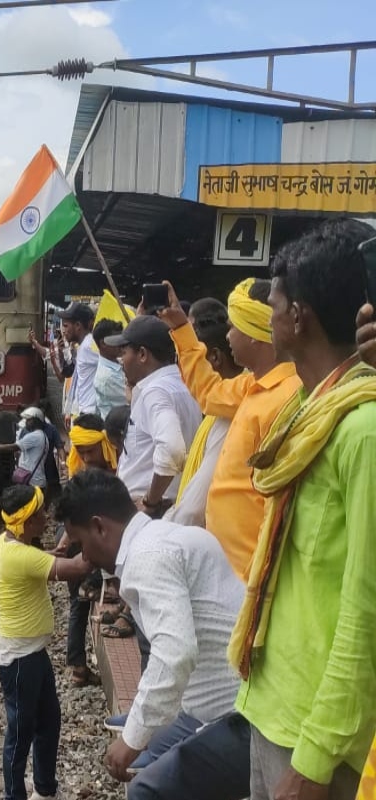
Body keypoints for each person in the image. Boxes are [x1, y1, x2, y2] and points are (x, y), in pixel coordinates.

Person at [228, 220, 375, 800]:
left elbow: (365, 611)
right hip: (273, 705)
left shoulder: (360, 431)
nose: (267, 313)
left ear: (300, 317)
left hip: (318, 735)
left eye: (276, 300)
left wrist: (315, 759)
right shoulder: (307, 415)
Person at [54, 468, 249, 800]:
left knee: (146, 790)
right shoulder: (165, 534)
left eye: (81, 544)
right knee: (152, 751)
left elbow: (175, 654)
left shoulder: (148, 557)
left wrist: (132, 739)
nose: (83, 557)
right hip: (210, 704)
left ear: (100, 526)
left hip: (242, 715)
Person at [158, 279, 300, 577]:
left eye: (234, 327)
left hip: (250, 571)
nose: (228, 335)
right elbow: (209, 393)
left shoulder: (289, 396)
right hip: (228, 565)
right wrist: (181, 329)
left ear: (255, 336)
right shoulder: (252, 386)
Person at [0, 484, 94, 800]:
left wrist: (51, 552)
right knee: (19, 737)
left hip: (32, 653)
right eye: (40, 514)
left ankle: (45, 791)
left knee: (49, 721)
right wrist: (92, 535)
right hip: (20, 659)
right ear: (26, 522)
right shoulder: (22, 556)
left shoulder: (5, 542)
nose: (46, 518)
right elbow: (78, 568)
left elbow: (34, 558)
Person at [102, 315, 202, 515]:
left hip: (152, 512)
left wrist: (150, 501)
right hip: (176, 505)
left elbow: (172, 449)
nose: (121, 361)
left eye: (124, 352)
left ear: (142, 354)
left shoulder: (155, 392)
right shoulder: (184, 385)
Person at [165, 304, 243, 528]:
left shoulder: (229, 414)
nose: (182, 370)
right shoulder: (221, 406)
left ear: (215, 358)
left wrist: (169, 530)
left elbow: (192, 511)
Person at [92, 319, 128, 417]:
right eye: (117, 339)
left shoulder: (118, 363)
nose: (121, 343)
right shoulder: (107, 377)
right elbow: (134, 399)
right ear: (103, 343)